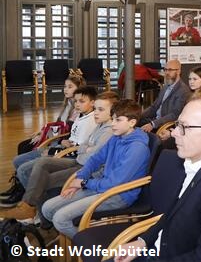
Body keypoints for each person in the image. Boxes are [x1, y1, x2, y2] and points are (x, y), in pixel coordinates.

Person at [114, 96, 201, 262]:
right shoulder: (198, 161)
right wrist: (142, 242)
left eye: (184, 127)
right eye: (177, 125)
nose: (174, 133)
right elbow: (172, 213)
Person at [41, 99, 150, 239]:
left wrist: (83, 184)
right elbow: (95, 159)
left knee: (60, 219)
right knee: (47, 208)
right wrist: (81, 177)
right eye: (113, 119)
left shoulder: (137, 148)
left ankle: (90, 247)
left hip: (118, 195)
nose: (113, 124)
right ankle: (79, 237)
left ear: (132, 123)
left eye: (118, 120)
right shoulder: (117, 137)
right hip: (101, 186)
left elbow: (115, 183)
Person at [0, 91, 119, 219]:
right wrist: (86, 149)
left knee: (42, 179)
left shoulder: (108, 132)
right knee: (42, 163)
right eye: (95, 109)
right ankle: (28, 207)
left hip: (84, 168)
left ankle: (37, 214)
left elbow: (90, 157)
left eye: (100, 109)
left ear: (112, 112)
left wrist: (86, 150)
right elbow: (82, 146)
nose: (96, 112)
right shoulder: (100, 125)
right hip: (79, 160)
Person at [0, 75, 85, 203]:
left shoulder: (77, 109)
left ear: (79, 89)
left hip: (60, 141)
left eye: (70, 87)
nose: (65, 90)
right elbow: (57, 125)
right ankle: (19, 186)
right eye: (65, 86)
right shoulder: (67, 104)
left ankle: (23, 191)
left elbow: (64, 132)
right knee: (22, 145)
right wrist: (41, 132)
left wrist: (46, 136)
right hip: (57, 137)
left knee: (25, 148)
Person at [139, 59, 190, 133]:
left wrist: (153, 124)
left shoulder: (183, 91)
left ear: (178, 71)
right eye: (165, 70)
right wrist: (138, 116)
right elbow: (154, 107)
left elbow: (174, 115)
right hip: (154, 119)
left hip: (163, 124)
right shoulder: (166, 87)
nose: (166, 73)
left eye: (170, 70)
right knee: (132, 122)